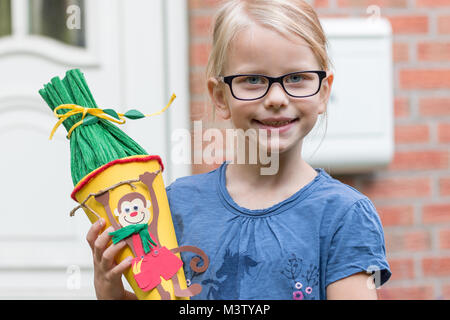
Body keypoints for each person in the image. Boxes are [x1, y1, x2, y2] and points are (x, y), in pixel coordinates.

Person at [86, 0, 391, 300]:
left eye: (296, 78)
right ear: (220, 97)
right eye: (253, 80)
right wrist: (110, 292)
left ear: (324, 92)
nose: (275, 98)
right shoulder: (174, 206)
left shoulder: (345, 215)